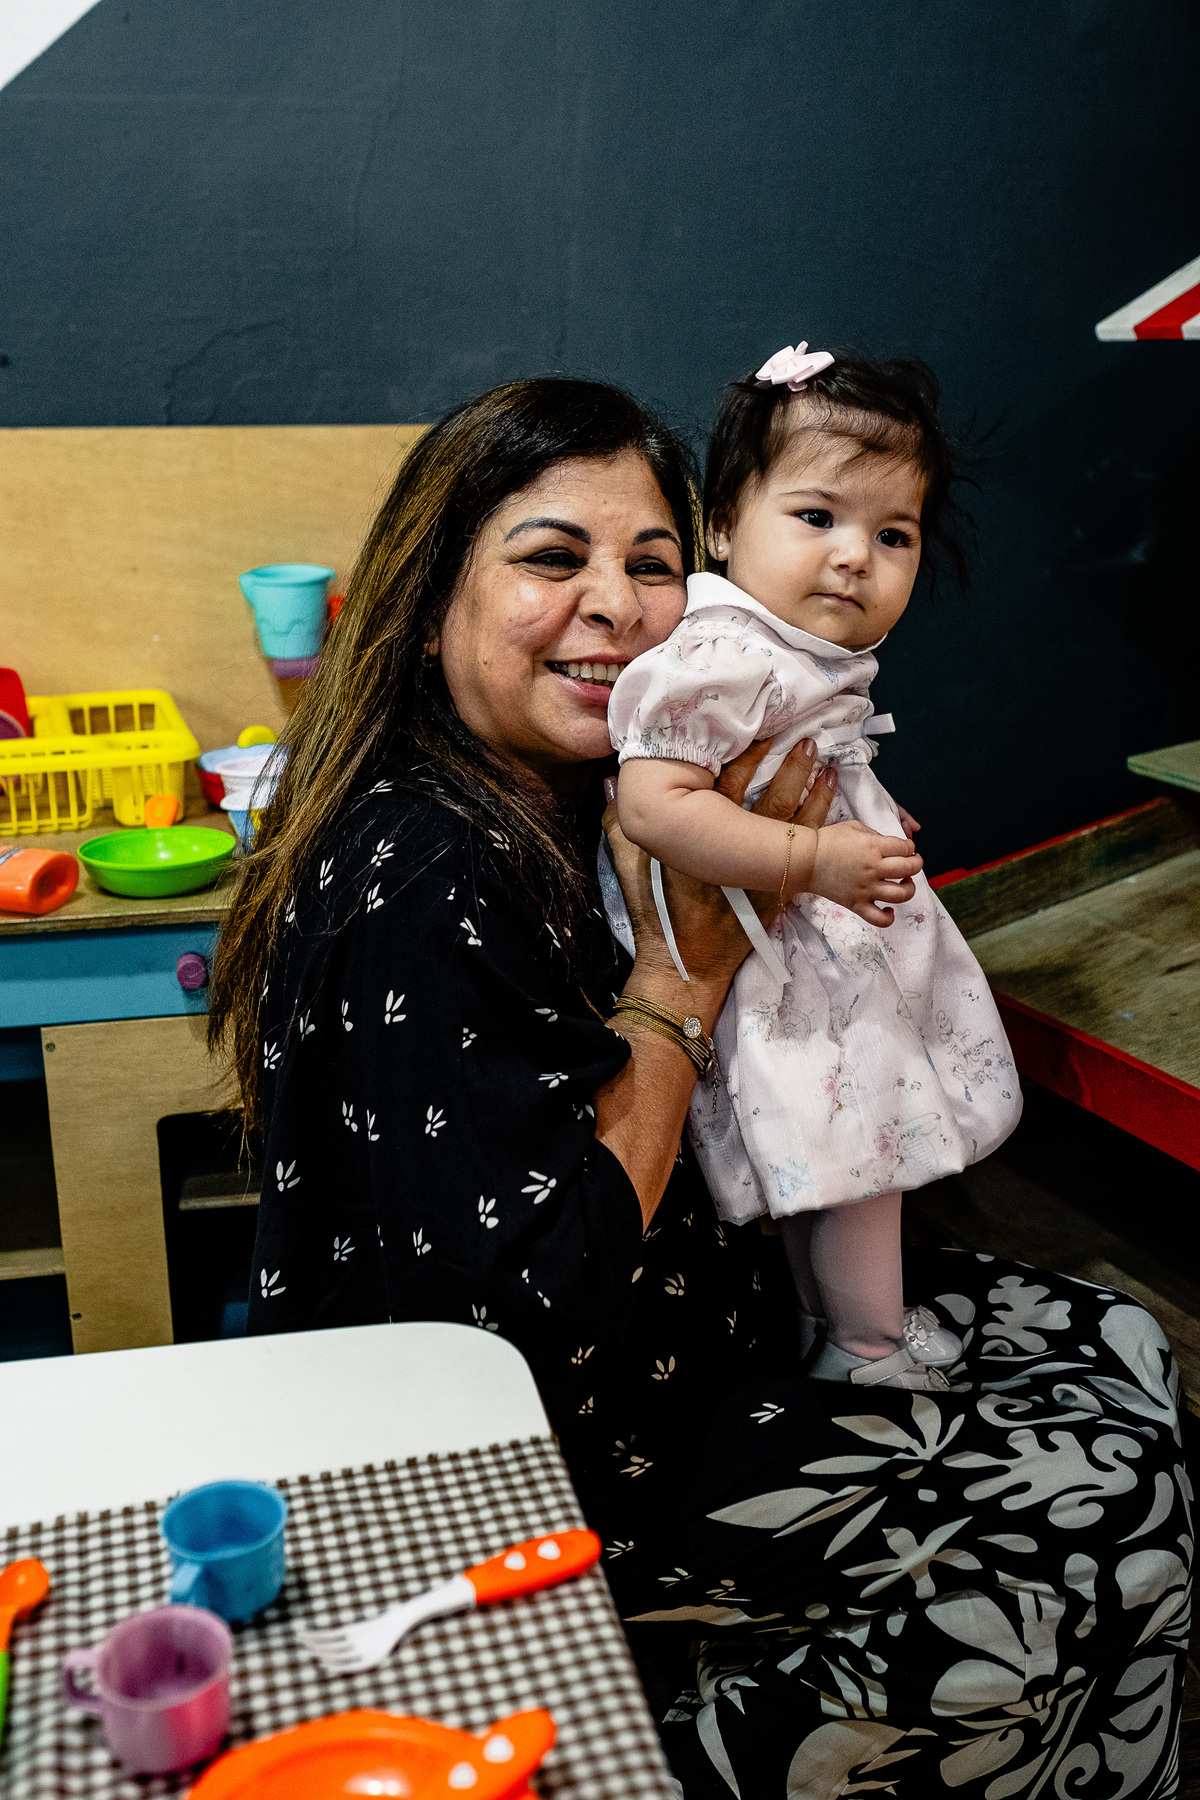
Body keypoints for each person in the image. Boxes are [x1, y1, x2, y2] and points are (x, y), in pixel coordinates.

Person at [207, 378, 1189, 1797]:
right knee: (1104, 1515)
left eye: (652, 564)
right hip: (567, 1455)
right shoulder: (425, 870)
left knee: (1117, 1337)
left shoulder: (575, 791)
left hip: (712, 1319)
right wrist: (688, 979)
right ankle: (702, 1753)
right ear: (428, 604)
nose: (614, 604)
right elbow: (534, 1309)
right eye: (553, 558)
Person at [609, 343, 1022, 1391]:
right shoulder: (724, 653)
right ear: (720, 525)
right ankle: (868, 1349)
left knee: (834, 1158)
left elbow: (767, 772)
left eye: (893, 534)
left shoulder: (782, 653)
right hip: (772, 959)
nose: (854, 558)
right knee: (864, 1154)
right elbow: (654, 803)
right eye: (817, 516)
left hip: (807, 951)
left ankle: (828, 1327)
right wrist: (815, 854)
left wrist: (855, 807)